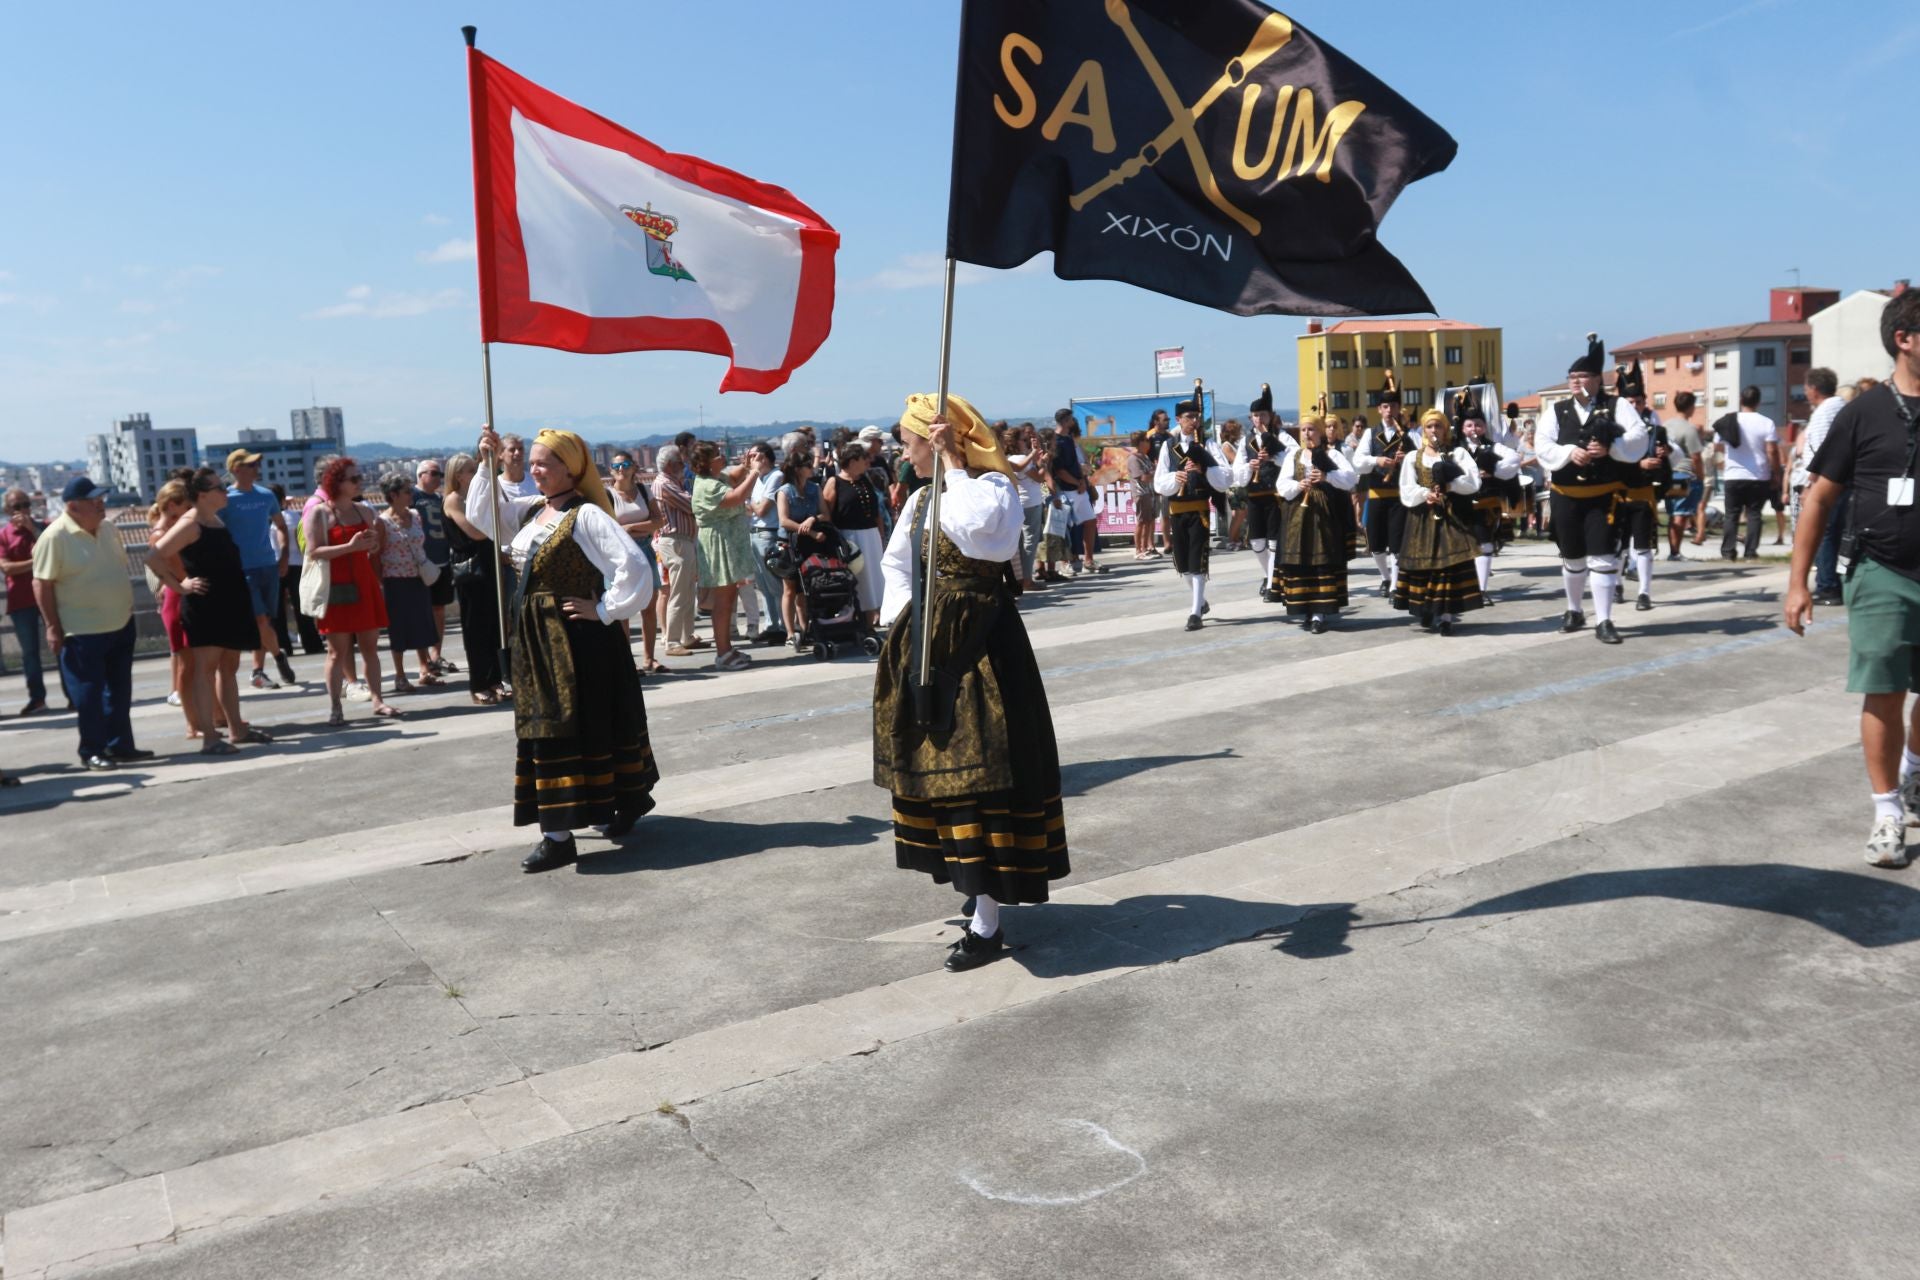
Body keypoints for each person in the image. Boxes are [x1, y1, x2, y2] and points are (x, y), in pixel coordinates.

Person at [874, 394, 1067, 972]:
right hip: (929, 643)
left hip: (983, 647)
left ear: (942, 440)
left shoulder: (992, 489)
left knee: (981, 776)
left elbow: (987, 537)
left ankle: (987, 920)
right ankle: (972, 887)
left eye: (910, 440)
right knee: (940, 772)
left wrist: (956, 465)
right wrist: (905, 635)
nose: (904, 451)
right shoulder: (917, 499)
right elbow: (897, 566)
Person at [472, 425, 659, 873]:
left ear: (570, 468)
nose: (535, 470)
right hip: (535, 641)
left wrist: (605, 609)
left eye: (545, 463)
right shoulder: (532, 509)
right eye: (532, 462)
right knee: (549, 727)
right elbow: (484, 516)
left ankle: (563, 833)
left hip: (577, 642)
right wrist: (486, 462)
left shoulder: (588, 516)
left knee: (580, 725)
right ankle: (577, 822)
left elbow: (633, 567)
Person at [1785, 289, 1920, 867]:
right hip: (1882, 571)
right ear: (1904, 338)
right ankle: (1888, 813)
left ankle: (1912, 772)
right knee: (1885, 692)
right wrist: (1798, 582)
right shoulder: (1861, 414)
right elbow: (1818, 500)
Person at [151, 468, 275, 756]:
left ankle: (237, 729)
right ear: (202, 495)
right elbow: (154, 556)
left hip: (230, 600)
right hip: (206, 604)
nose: (225, 491)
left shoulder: (215, 519)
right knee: (205, 671)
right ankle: (209, 736)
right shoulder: (191, 522)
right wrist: (180, 585)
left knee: (228, 669)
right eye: (219, 488)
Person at [1537, 334, 1648, 644]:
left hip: (1603, 499)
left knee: (1602, 558)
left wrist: (1611, 447)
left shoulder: (1618, 406)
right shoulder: (1557, 411)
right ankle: (1574, 611)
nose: (1575, 381)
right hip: (1566, 497)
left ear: (1598, 379)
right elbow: (1542, 444)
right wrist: (1568, 452)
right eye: (1572, 376)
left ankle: (1605, 620)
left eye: (1582, 376)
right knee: (1572, 558)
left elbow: (1639, 438)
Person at [32, 477, 148, 769]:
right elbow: (42, 584)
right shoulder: (54, 537)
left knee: (120, 691)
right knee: (89, 695)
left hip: (120, 622)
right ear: (72, 507)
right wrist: (52, 626)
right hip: (82, 630)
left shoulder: (108, 528)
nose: (101, 505)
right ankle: (92, 751)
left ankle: (120, 745)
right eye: (94, 502)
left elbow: (118, 566)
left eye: (101, 500)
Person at [303, 458, 401, 725]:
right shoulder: (320, 513)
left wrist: (370, 545)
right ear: (337, 483)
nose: (360, 482)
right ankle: (336, 706)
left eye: (359, 478)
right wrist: (350, 546)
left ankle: (377, 700)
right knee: (337, 651)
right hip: (336, 588)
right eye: (354, 479)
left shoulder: (364, 511)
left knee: (371, 647)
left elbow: (372, 550)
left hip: (364, 583)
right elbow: (313, 552)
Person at [1153, 390, 1249, 630]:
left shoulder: (1208, 444)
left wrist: (1205, 468)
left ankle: (1195, 612)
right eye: (1189, 417)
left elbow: (1225, 477)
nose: (1194, 421)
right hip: (1176, 510)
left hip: (1198, 511)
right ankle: (1201, 601)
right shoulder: (1168, 446)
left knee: (1197, 561)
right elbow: (1158, 482)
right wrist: (1176, 477)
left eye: (1196, 416)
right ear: (1179, 420)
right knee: (1183, 564)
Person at [1393, 411, 1485, 635]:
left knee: (1448, 566)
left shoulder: (1457, 453)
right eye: (1429, 426)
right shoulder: (1412, 457)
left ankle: (1445, 616)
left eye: (1438, 426)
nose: (1434, 431)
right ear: (1424, 430)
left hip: (1450, 518)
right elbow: (1406, 489)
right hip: (1422, 520)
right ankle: (1427, 608)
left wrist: (1451, 486)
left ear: (1445, 429)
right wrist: (1426, 494)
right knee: (1424, 567)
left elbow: (1474, 482)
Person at [1273, 413, 1358, 633]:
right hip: (1297, 517)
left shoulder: (1332, 454)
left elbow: (1350, 479)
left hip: (1324, 516)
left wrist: (1326, 477)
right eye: (1303, 430)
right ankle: (1306, 608)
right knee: (1301, 559)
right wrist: (1300, 485)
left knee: (1322, 559)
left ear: (1320, 432)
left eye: (1311, 429)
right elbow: (1282, 485)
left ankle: (1320, 613)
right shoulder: (1294, 456)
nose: (1307, 434)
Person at [222, 449, 297, 689]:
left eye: (256, 465)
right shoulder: (225, 498)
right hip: (242, 569)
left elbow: (281, 527)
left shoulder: (266, 495)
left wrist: (283, 556)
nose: (256, 469)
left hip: (268, 565)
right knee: (260, 620)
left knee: (266, 622)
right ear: (236, 469)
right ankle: (277, 656)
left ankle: (259, 670)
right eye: (251, 465)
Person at [143, 477, 208, 738]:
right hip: (177, 598)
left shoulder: (167, 530)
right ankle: (192, 724)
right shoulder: (160, 534)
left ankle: (200, 720)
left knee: (193, 664)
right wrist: (184, 584)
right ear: (172, 504)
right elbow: (175, 569)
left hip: (180, 596)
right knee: (186, 665)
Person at [690, 442, 765, 671]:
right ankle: (723, 652)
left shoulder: (715, 479)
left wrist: (744, 466)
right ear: (707, 462)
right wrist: (754, 471)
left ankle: (727, 648)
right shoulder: (707, 486)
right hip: (719, 544)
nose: (722, 457)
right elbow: (736, 496)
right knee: (723, 601)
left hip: (726, 542)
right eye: (717, 455)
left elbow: (732, 479)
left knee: (729, 598)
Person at [443, 453, 508, 704]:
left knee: (494, 626)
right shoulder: (453, 500)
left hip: (488, 566)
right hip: (470, 571)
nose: (476, 473)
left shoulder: (478, 498)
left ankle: (494, 679)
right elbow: (476, 533)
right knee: (475, 630)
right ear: (459, 475)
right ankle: (478, 683)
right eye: (472, 469)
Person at [1610, 361, 1670, 611]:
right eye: (1630, 402)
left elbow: (1667, 469)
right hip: (1617, 494)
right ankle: (1616, 585)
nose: (1635, 406)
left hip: (1643, 495)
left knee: (1643, 546)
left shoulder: (1657, 430)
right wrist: (1639, 466)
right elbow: (1610, 464)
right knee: (1617, 546)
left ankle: (1644, 592)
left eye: (1638, 402)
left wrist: (1663, 456)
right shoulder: (1611, 430)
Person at [1351, 372, 1415, 598]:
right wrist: (1376, 460)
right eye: (1385, 407)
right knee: (1376, 543)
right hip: (1377, 493)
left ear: (1399, 409)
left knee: (1397, 542)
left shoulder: (1409, 435)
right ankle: (1386, 578)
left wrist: (1405, 459)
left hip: (1399, 496)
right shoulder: (1370, 433)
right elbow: (1358, 462)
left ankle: (1396, 584)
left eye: (1393, 406)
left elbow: (1420, 461)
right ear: (1379, 409)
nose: (1389, 411)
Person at [376, 476, 442, 694]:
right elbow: (377, 554)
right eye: (406, 491)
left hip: (417, 577)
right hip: (395, 580)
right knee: (399, 628)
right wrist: (379, 583)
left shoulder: (415, 516)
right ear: (393, 495)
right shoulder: (382, 522)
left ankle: (425, 669)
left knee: (422, 622)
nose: (411, 494)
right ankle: (400, 675)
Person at [607, 450, 667, 673]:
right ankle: (626, 661)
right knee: (623, 610)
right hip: (620, 555)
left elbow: (658, 521)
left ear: (634, 468)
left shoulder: (644, 490)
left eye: (625, 465)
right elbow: (608, 528)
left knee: (648, 607)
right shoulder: (607, 495)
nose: (621, 469)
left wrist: (631, 528)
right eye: (616, 466)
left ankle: (649, 658)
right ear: (611, 470)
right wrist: (641, 527)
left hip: (644, 550)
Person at [1457, 402, 1522, 601]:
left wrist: (1493, 469)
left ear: (1484, 427)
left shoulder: (1495, 447)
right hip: (1461, 505)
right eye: (1469, 425)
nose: (1474, 429)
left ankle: (1482, 590)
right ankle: (1462, 589)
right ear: (1462, 428)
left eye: (1478, 425)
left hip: (1486, 506)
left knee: (1485, 546)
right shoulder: (1455, 449)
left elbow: (1514, 459)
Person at [1795, 369, 1848, 605]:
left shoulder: (1823, 413)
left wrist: (1810, 486)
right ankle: (1835, 582)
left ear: (1813, 389)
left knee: (1823, 532)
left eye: (1806, 387)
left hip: (1826, 482)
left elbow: (1820, 454)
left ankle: (1827, 586)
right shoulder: (1842, 407)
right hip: (1844, 481)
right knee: (1836, 533)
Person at [1716, 385, 1782, 561]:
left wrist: (1721, 461)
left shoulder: (1728, 421)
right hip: (1758, 475)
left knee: (1731, 514)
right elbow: (1772, 451)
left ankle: (1728, 551)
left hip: (1733, 474)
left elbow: (1717, 445)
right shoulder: (1766, 422)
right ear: (1759, 402)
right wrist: (1776, 473)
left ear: (1740, 400)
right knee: (1754, 514)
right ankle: (1750, 552)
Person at [823, 441, 885, 626]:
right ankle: (861, 620)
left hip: (871, 535)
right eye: (862, 458)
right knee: (860, 578)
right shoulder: (835, 482)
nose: (867, 462)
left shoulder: (864, 479)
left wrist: (880, 534)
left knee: (875, 576)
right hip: (851, 537)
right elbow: (827, 513)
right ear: (851, 461)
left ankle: (874, 615)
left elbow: (876, 512)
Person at [0, 488, 50, 715]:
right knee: (30, 653)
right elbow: (6, 567)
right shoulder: (4, 535)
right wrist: (36, 561)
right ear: (7, 510)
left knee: (62, 647)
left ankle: (73, 696)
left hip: (49, 595)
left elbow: (53, 552)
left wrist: (34, 530)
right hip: (21, 600)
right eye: (16, 506)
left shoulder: (44, 528)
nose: (22, 510)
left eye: (25, 504)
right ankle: (37, 699)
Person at [775, 448, 830, 649]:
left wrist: (812, 519)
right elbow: (784, 521)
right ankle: (790, 632)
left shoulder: (814, 489)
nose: (812, 467)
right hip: (790, 543)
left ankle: (805, 628)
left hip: (809, 545)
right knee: (790, 589)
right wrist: (810, 531)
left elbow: (825, 514)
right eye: (808, 465)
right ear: (798, 469)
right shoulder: (784, 491)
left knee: (806, 589)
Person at [651, 444, 703, 658]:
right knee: (679, 593)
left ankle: (687, 636)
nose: (684, 466)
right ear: (671, 465)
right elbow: (692, 504)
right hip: (675, 541)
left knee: (688, 591)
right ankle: (672, 641)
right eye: (681, 463)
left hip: (683, 541)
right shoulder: (664, 483)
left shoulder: (673, 481)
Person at [413, 458, 458, 679]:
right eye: (433, 473)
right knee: (421, 611)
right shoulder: (413, 497)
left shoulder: (442, 499)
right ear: (421, 475)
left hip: (441, 560)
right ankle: (424, 661)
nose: (438, 477)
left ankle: (436, 653)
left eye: (440, 474)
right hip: (421, 562)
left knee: (439, 609)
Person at [1243, 385, 1288, 599]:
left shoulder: (1282, 437)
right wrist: (1249, 467)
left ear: (1269, 416)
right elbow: (1237, 473)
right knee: (1257, 543)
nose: (1259, 418)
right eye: (1255, 415)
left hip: (1275, 497)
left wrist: (1273, 458)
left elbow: (1292, 459)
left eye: (1262, 414)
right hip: (1254, 496)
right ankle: (1267, 575)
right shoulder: (1246, 441)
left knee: (1273, 543)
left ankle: (1272, 584)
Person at [1051, 409, 1105, 576]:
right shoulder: (1056, 441)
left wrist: (1082, 481)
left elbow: (1076, 465)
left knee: (1090, 521)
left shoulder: (1068, 439)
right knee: (1065, 528)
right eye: (1071, 419)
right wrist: (1076, 482)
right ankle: (1065, 563)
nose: (1073, 421)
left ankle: (1088, 560)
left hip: (1079, 488)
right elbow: (1059, 470)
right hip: (1066, 490)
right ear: (1067, 420)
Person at [271, 484, 323, 657]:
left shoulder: (273, 519)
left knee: (278, 611)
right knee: (302, 608)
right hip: (297, 564)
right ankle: (312, 643)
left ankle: (284, 645)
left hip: (278, 565)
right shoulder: (292, 516)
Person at [745, 441, 788, 646]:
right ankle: (772, 625)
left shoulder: (775, 476)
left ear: (765, 458)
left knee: (773, 583)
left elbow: (762, 509)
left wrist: (749, 502)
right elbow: (752, 506)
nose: (751, 460)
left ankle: (781, 624)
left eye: (755, 456)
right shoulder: (756, 478)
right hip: (754, 533)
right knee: (762, 585)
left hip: (767, 533)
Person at [1006, 424, 1052, 588]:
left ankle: (1022, 578)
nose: (1026, 442)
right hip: (1031, 502)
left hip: (1022, 502)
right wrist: (1044, 464)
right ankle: (1027, 579)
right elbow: (1039, 478)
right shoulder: (1018, 459)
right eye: (1023, 440)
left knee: (1021, 543)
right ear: (1017, 442)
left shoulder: (1012, 459)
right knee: (1030, 542)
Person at [1664, 392, 1706, 561]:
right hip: (1685, 474)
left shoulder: (1666, 425)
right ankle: (1675, 552)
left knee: (1673, 513)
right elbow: (1696, 457)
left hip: (1668, 473)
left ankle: (1673, 550)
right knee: (1681, 514)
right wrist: (1700, 476)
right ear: (1691, 407)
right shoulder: (1689, 429)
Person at [496, 434, 541, 500]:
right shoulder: (496, 486)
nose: (517, 453)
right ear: (500, 454)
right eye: (512, 450)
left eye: (520, 449)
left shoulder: (536, 481)